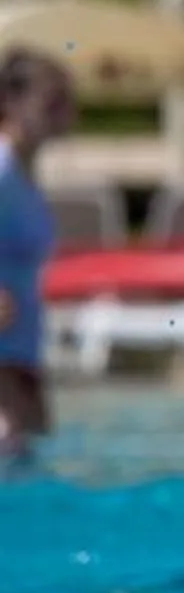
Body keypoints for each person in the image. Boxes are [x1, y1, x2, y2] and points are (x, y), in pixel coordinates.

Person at [0, 50, 80, 453]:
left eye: (67, 103)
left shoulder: (25, 173)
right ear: (10, 103)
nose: (66, 116)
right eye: (53, 103)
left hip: (23, 350)